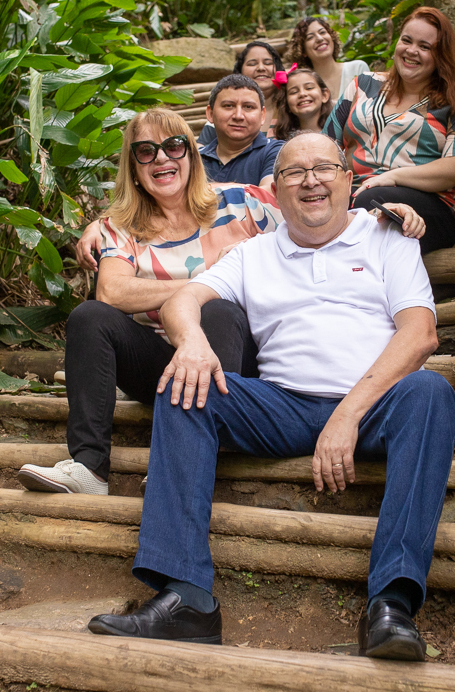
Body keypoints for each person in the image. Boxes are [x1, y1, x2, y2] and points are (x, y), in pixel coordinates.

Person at [87, 132, 455, 662]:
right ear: (275, 193)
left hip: (376, 407)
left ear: (348, 180)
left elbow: (420, 334)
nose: (310, 181)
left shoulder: (387, 237)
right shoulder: (254, 253)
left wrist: (348, 414)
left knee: (430, 390)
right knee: (185, 386)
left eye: (323, 168)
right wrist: (191, 342)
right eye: (293, 173)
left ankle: (391, 604)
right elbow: (185, 300)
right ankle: (187, 598)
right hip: (281, 403)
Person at [15, 108, 279, 497]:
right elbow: (112, 292)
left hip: (239, 362)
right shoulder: (120, 226)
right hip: (166, 362)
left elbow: (316, 218)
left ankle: (188, 458)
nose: (161, 158)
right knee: (91, 315)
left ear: (191, 153)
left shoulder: (242, 202)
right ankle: (89, 468)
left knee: (218, 311)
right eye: (145, 151)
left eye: (174, 146)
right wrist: (205, 284)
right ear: (133, 166)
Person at [72, 75, 283, 272]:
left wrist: (186, 188)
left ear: (263, 115)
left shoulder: (274, 151)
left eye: (248, 107)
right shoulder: (185, 156)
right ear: (209, 113)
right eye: (228, 106)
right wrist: (101, 223)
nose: (238, 115)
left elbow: (264, 197)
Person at [324, 6, 455, 255]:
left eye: (425, 46)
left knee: (372, 202)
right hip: (351, 196)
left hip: (429, 206)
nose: (411, 51)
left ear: (441, 56)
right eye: (406, 41)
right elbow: (326, 144)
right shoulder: (362, 85)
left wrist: (393, 177)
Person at [199, 41, 285, 144]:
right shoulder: (224, 115)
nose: (261, 68)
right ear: (240, 72)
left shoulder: (291, 109)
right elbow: (200, 149)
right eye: (252, 64)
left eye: (268, 63)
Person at [285, 16, 370, 102]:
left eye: (322, 32)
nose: (319, 38)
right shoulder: (303, 86)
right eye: (310, 37)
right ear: (303, 51)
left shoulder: (358, 68)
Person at [275, 67, 333, 141]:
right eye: (294, 92)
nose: (302, 94)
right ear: (286, 104)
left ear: (324, 95)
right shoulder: (283, 143)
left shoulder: (339, 136)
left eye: (309, 88)